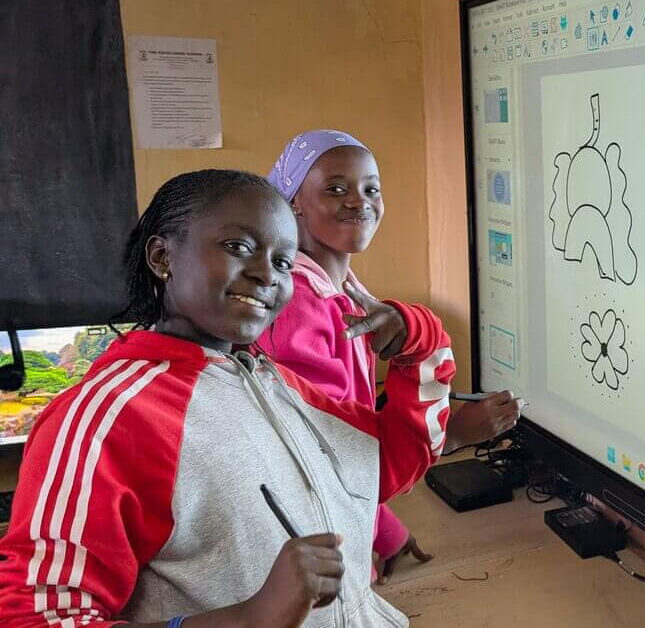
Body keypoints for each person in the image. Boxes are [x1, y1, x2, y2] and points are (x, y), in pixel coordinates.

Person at [0, 169, 453, 627]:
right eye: (238, 247)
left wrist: (416, 342)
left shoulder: (276, 384)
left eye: (283, 261)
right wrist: (247, 620)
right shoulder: (105, 418)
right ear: (162, 257)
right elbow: (37, 619)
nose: (265, 274)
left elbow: (394, 460)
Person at [260, 129, 522, 582]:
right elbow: (337, 465)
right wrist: (454, 435)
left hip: (334, 538)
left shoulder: (340, 289)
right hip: (307, 569)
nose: (359, 202)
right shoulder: (299, 309)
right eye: (335, 189)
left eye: (371, 188)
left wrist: (383, 532)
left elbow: (342, 435)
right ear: (294, 202)